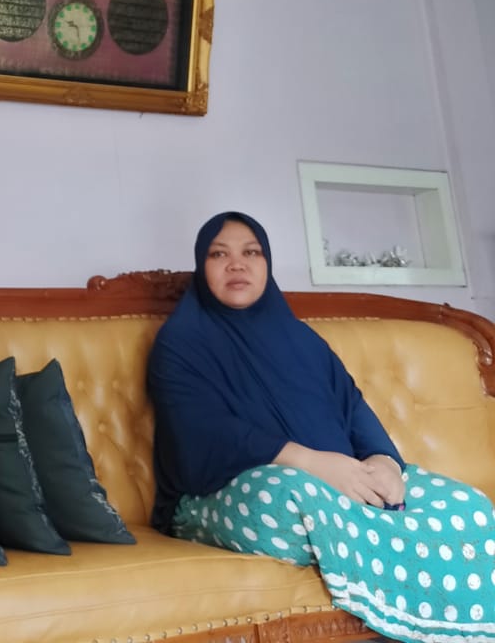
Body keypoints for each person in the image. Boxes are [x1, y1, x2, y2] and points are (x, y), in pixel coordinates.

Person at [147, 211, 495, 643]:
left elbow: (351, 406)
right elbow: (203, 435)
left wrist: (384, 462)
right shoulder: (181, 344)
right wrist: (313, 463)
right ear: (202, 266)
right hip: (234, 490)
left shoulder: (302, 340)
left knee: (468, 506)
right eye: (219, 254)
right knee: (291, 500)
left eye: (251, 253)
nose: (237, 264)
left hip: (344, 478)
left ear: (267, 263)